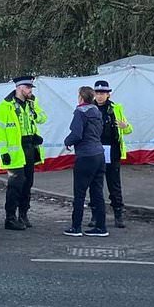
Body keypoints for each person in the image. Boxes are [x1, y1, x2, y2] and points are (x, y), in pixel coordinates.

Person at [0, 76, 48, 230]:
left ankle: (23, 215)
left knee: (27, 184)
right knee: (15, 185)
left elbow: (43, 118)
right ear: (19, 88)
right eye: (28, 87)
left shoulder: (31, 104)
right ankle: (10, 218)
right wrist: (4, 151)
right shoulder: (5, 107)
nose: (30, 90)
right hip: (14, 152)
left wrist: (35, 112)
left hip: (30, 148)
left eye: (31, 88)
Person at [63, 86, 108, 237]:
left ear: (81, 97)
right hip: (99, 154)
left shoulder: (80, 112)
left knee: (80, 192)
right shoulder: (96, 111)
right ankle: (101, 227)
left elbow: (76, 134)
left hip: (85, 155)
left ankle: (76, 227)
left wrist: (67, 141)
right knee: (97, 192)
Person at [89, 80, 133, 228]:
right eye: (97, 93)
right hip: (94, 150)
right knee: (95, 184)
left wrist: (125, 126)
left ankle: (118, 214)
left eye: (103, 93)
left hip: (112, 150)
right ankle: (95, 215)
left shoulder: (116, 108)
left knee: (114, 184)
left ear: (109, 94)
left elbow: (128, 129)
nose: (100, 96)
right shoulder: (89, 108)